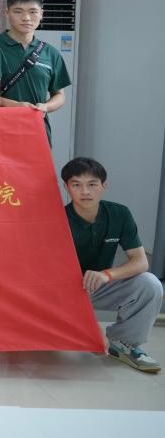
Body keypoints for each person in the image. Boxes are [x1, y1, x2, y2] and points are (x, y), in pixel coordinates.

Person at [62, 157, 162, 373]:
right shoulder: (58, 219)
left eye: (92, 184)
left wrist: (107, 274)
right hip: (62, 291)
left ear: (104, 186)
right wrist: (91, 328)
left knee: (150, 283)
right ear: (66, 187)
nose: (85, 191)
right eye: (76, 185)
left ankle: (123, 343)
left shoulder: (119, 214)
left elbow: (140, 261)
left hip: (100, 285)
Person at [0, 0, 72, 145]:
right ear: (7, 13)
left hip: (37, 131)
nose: (26, 18)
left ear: (41, 14)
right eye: (18, 11)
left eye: (33, 12)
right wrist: (15, 106)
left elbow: (59, 95)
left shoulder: (51, 53)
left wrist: (45, 107)